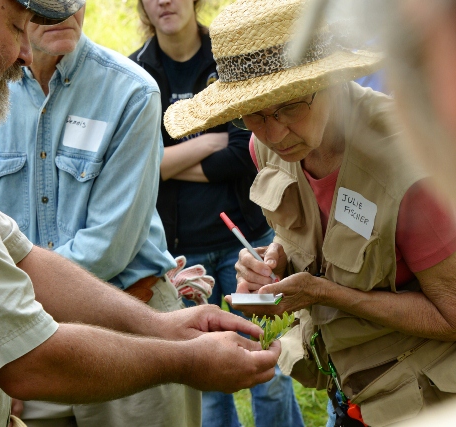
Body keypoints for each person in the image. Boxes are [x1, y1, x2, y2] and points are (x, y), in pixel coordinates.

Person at [0, 0, 282, 425]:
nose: (23, 52)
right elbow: (26, 358)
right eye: (15, 26)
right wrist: (186, 359)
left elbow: (19, 253)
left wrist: (166, 329)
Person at [162, 0, 456, 426]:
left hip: (436, 402)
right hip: (352, 393)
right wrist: (274, 257)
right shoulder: (264, 144)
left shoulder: (409, 164)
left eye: (288, 106)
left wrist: (325, 293)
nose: (274, 133)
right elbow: (311, 222)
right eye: (254, 113)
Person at [0, 4, 207, 426]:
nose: (63, 11)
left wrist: (10, 301)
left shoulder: (131, 91)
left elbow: (110, 246)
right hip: (26, 347)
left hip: (133, 337)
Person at [129, 1, 304, 426]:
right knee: (206, 381)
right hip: (182, 252)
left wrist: (168, 161)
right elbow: (137, 166)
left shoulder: (227, 55)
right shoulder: (135, 72)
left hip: (245, 241)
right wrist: (207, 143)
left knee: (269, 367)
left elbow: (244, 154)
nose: (164, 2)